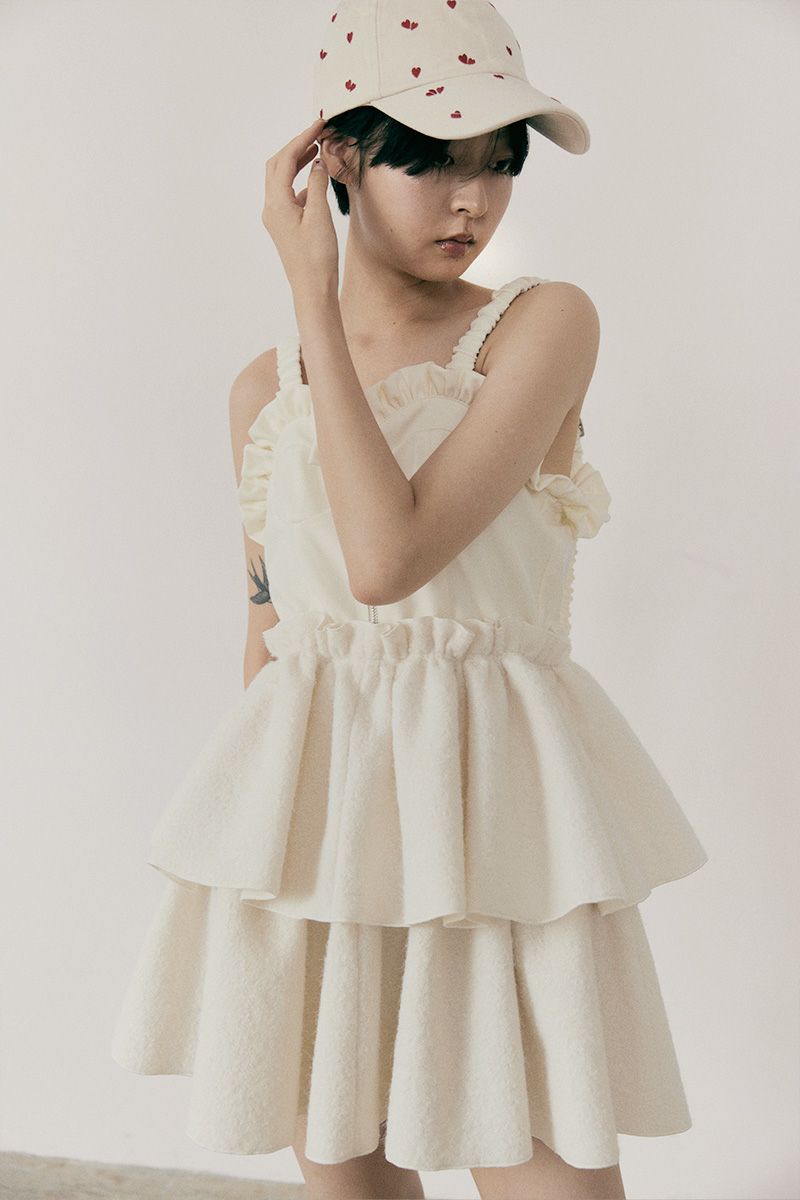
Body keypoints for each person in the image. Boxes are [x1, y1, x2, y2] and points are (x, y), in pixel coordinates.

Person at [111, 3, 709, 1199]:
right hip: (319, 818)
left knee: (542, 1160)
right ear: (335, 156)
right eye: (430, 159)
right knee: (343, 1166)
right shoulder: (263, 389)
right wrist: (259, 860)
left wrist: (312, 305)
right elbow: (271, 638)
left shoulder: (536, 325)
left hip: (494, 820)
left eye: (497, 161)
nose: (470, 201)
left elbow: (388, 561)